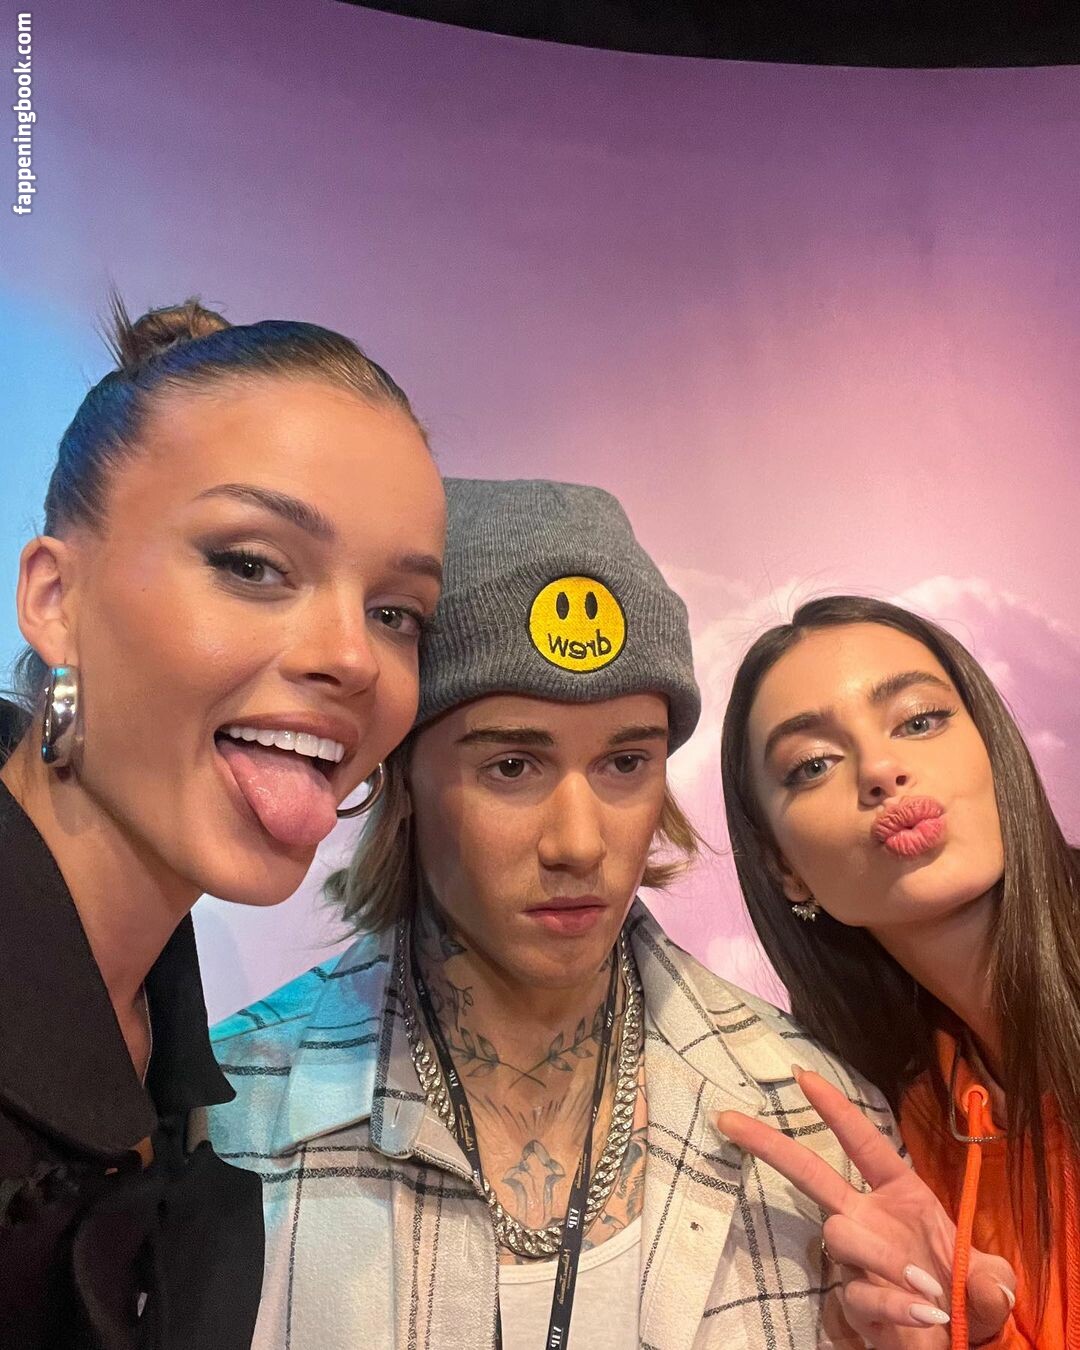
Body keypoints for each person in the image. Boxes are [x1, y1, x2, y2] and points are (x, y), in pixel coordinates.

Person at [209, 478, 913, 1350]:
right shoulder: (228, 1119)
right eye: (512, 766)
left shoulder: (817, 1123)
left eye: (625, 763)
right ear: (402, 776)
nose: (579, 843)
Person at [0, 297, 445, 1349]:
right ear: (56, 597)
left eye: (396, 613)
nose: (353, 657)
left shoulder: (163, 1036)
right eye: (252, 564)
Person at [717, 594, 1077, 1347]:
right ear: (785, 868)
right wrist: (975, 1337)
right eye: (813, 765)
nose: (881, 770)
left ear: (996, 750)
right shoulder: (898, 1131)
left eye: (919, 721)